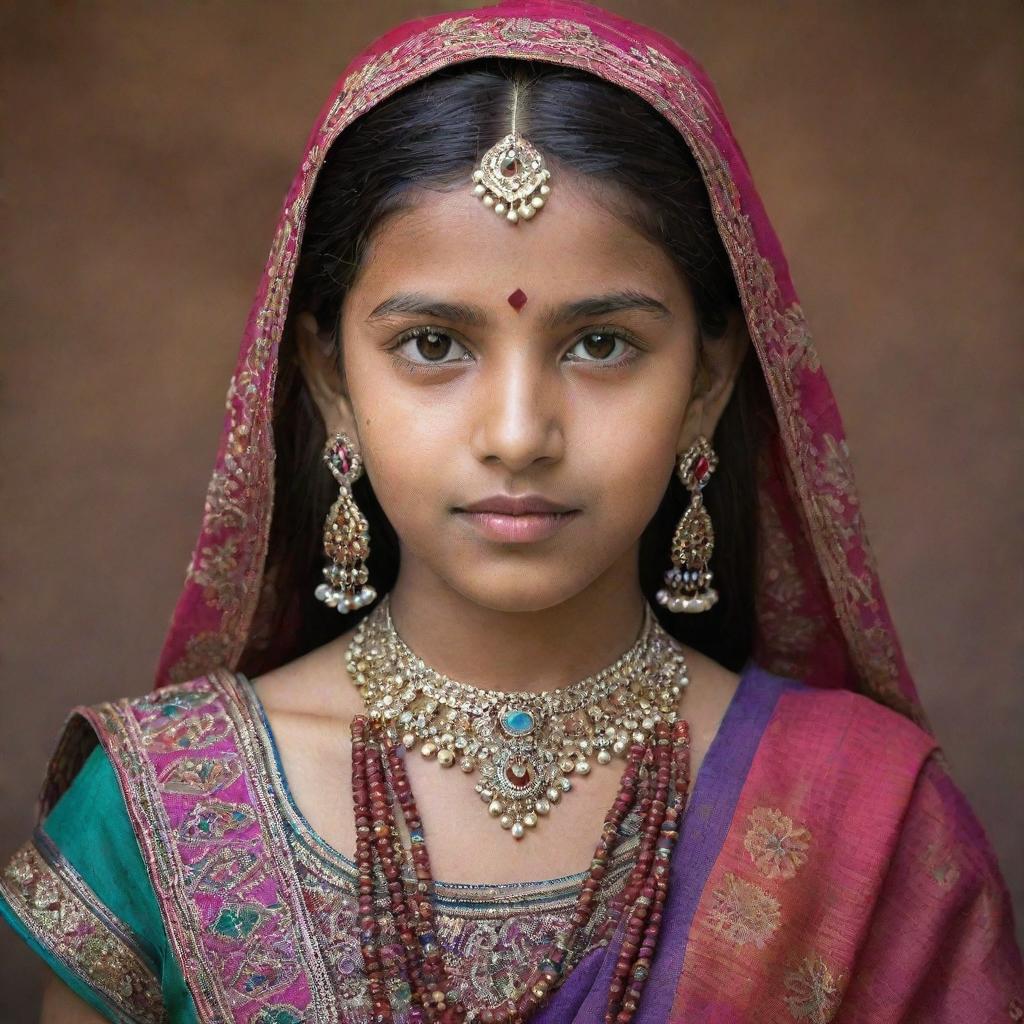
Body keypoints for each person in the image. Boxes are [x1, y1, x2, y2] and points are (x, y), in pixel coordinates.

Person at [2, 1, 1021, 1021]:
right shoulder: (157, 809)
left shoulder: (866, 824)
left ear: (707, 381)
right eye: (434, 345)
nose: (519, 432)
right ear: (328, 378)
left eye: (602, 344)